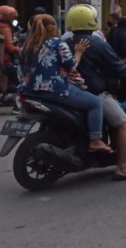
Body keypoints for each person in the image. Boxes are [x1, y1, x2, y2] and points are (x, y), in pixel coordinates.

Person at [65, 5, 126, 180]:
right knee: (124, 124)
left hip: (68, 91)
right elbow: (117, 66)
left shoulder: (65, 41)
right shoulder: (97, 43)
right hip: (93, 91)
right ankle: (122, 167)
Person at [19, 14, 110, 155]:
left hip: (29, 91)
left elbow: (20, 70)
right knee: (95, 103)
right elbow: (71, 65)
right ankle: (95, 140)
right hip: (54, 90)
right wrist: (79, 52)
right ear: (53, 27)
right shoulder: (57, 43)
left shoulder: (26, 46)